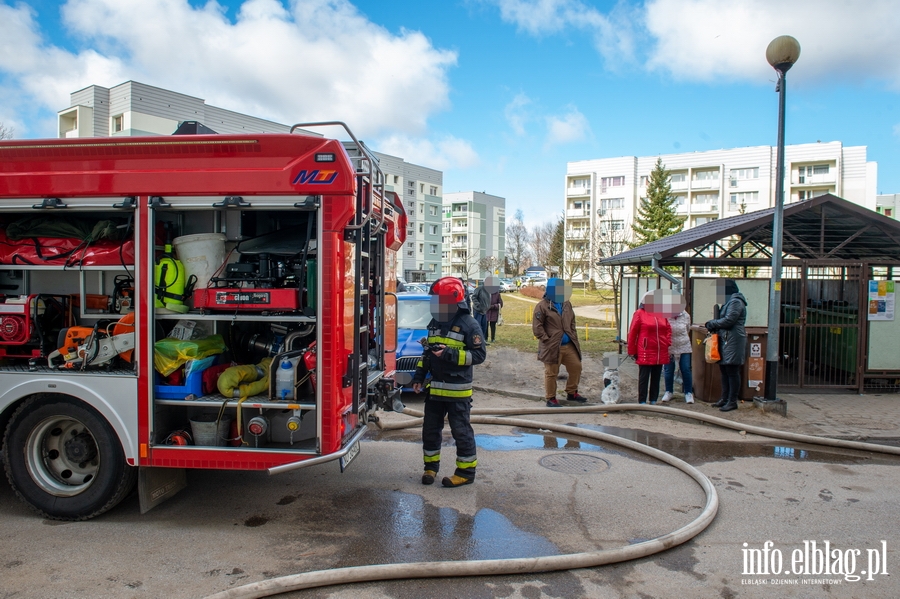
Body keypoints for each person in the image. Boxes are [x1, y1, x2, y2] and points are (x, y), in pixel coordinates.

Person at [412, 277, 486, 487]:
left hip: (457, 394)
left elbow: (479, 356)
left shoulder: (469, 325)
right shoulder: (435, 323)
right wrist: (418, 377)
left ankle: (465, 473)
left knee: (461, 432)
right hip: (435, 391)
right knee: (430, 431)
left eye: (438, 301)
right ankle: (430, 468)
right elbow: (427, 354)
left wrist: (450, 354)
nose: (434, 305)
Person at [532, 278, 588, 407]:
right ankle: (551, 398)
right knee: (551, 373)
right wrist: (547, 339)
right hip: (552, 346)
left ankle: (571, 392)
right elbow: (537, 327)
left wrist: (572, 333)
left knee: (576, 367)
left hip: (569, 345)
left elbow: (572, 321)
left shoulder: (566, 303)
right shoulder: (542, 306)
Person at [705, 279, 748, 412]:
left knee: (732, 371)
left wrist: (713, 323)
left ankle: (732, 401)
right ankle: (725, 398)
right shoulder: (730, 301)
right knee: (725, 370)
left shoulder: (735, 302)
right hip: (727, 339)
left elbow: (730, 320)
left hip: (733, 340)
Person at [627, 290, 673, 405]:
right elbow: (632, 332)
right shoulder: (640, 313)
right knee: (644, 377)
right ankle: (642, 401)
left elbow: (668, 329)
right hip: (645, 350)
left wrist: (667, 342)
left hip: (660, 350)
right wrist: (632, 350)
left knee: (656, 377)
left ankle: (653, 400)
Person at [661, 309, 694, 404]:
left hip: (684, 345)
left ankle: (688, 393)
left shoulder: (685, 315)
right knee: (668, 370)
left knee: (686, 369)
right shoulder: (664, 315)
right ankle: (669, 391)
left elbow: (688, 328)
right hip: (669, 345)